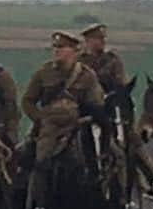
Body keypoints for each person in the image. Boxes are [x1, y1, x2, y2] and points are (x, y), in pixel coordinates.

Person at [24, 29, 99, 160]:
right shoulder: (43, 73)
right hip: (50, 125)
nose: (56, 50)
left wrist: (86, 118)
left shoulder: (87, 75)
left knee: (110, 154)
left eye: (61, 47)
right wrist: (39, 119)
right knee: (41, 158)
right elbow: (28, 100)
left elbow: (96, 103)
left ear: (74, 51)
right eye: (55, 47)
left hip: (79, 124)